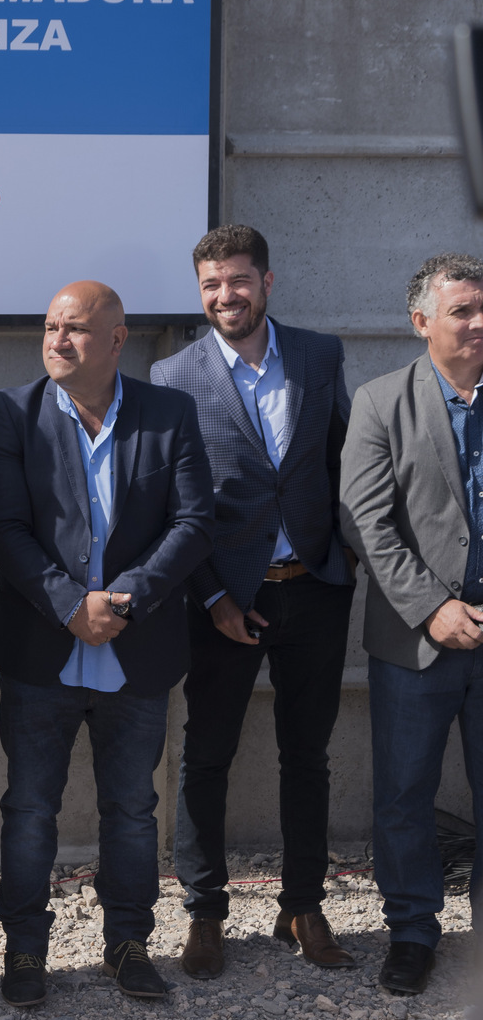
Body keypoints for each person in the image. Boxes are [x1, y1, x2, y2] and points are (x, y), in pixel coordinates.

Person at [0, 281, 213, 1008]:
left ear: (117, 340)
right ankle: (23, 951)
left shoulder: (168, 412)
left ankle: (129, 944)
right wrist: (69, 605)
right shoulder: (13, 412)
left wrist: (125, 601)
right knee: (29, 809)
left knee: (134, 810)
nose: (57, 339)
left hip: (135, 650)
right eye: (50, 326)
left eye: (74, 328)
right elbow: (4, 529)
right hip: (43, 649)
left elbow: (195, 521)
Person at [150, 225, 359, 978]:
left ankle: (302, 904)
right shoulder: (173, 375)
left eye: (237, 280)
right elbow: (177, 503)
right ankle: (205, 914)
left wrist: (348, 557)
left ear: (267, 281)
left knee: (308, 756)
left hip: (314, 591)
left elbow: (346, 461)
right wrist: (210, 596)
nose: (224, 295)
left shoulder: (319, 355)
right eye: (210, 284)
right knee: (205, 756)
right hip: (223, 601)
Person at [340, 252, 483, 997]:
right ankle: (413, 933)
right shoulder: (380, 402)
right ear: (421, 321)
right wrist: (433, 607)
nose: (479, 322)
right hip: (413, 641)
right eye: (462, 310)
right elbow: (365, 521)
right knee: (403, 794)